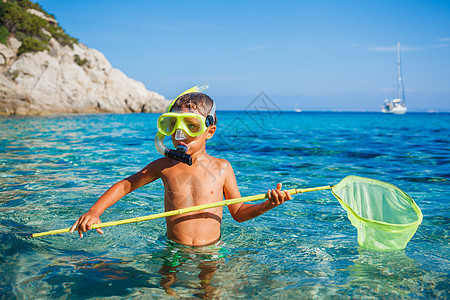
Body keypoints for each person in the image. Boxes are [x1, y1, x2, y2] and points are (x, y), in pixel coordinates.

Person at [70, 85, 292, 247]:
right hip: (173, 249)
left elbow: (239, 213)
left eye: (191, 125)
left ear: (210, 131)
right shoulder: (165, 165)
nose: (180, 134)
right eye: (173, 124)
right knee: (168, 290)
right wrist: (94, 211)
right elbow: (126, 185)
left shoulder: (222, 168)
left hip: (211, 251)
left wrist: (268, 204)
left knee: (210, 292)